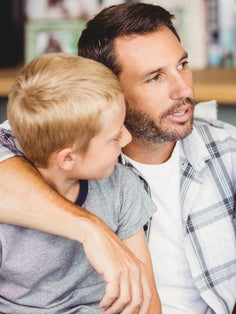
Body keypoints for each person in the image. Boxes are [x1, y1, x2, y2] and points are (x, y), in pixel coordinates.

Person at [0, 3, 236, 313]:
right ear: (106, 87)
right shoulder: (58, 133)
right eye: (155, 77)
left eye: (182, 64)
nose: (183, 88)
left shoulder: (230, 148)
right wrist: (91, 229)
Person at [1, 53, 160, 313]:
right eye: (114, 136)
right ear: (68, 158)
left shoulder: (121, 188)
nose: (128, 138)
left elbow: (147, 299)